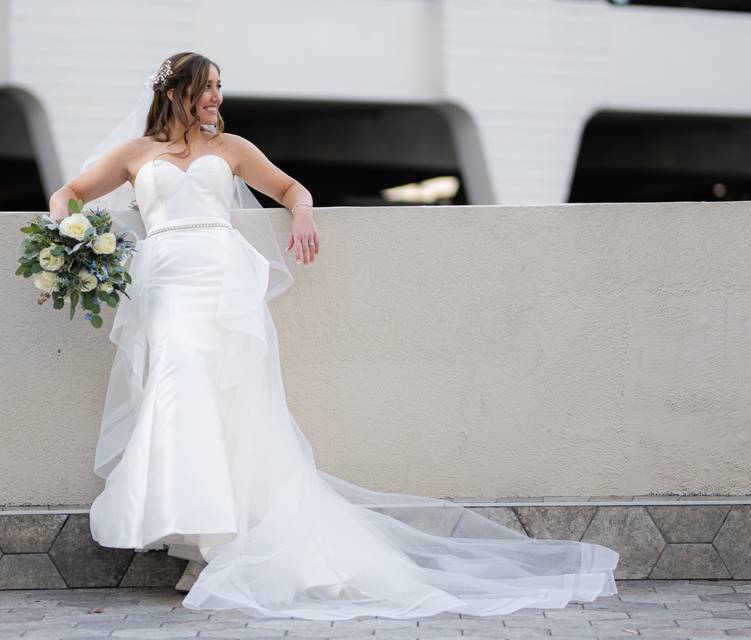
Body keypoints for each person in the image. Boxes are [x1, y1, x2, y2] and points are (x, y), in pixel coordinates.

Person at [47, 52, 619, 621]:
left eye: (221, 86)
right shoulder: (135, 154)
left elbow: (293, 189)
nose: (217, 97)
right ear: (176, 92)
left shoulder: (231, 148)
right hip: (168, 286)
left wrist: (302, 214)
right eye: (206, 87)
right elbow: (68, 193)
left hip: (223, 283)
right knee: (179, 398)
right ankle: (200, 540)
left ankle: (220, 552)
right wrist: (71, 237)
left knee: (236, 408)